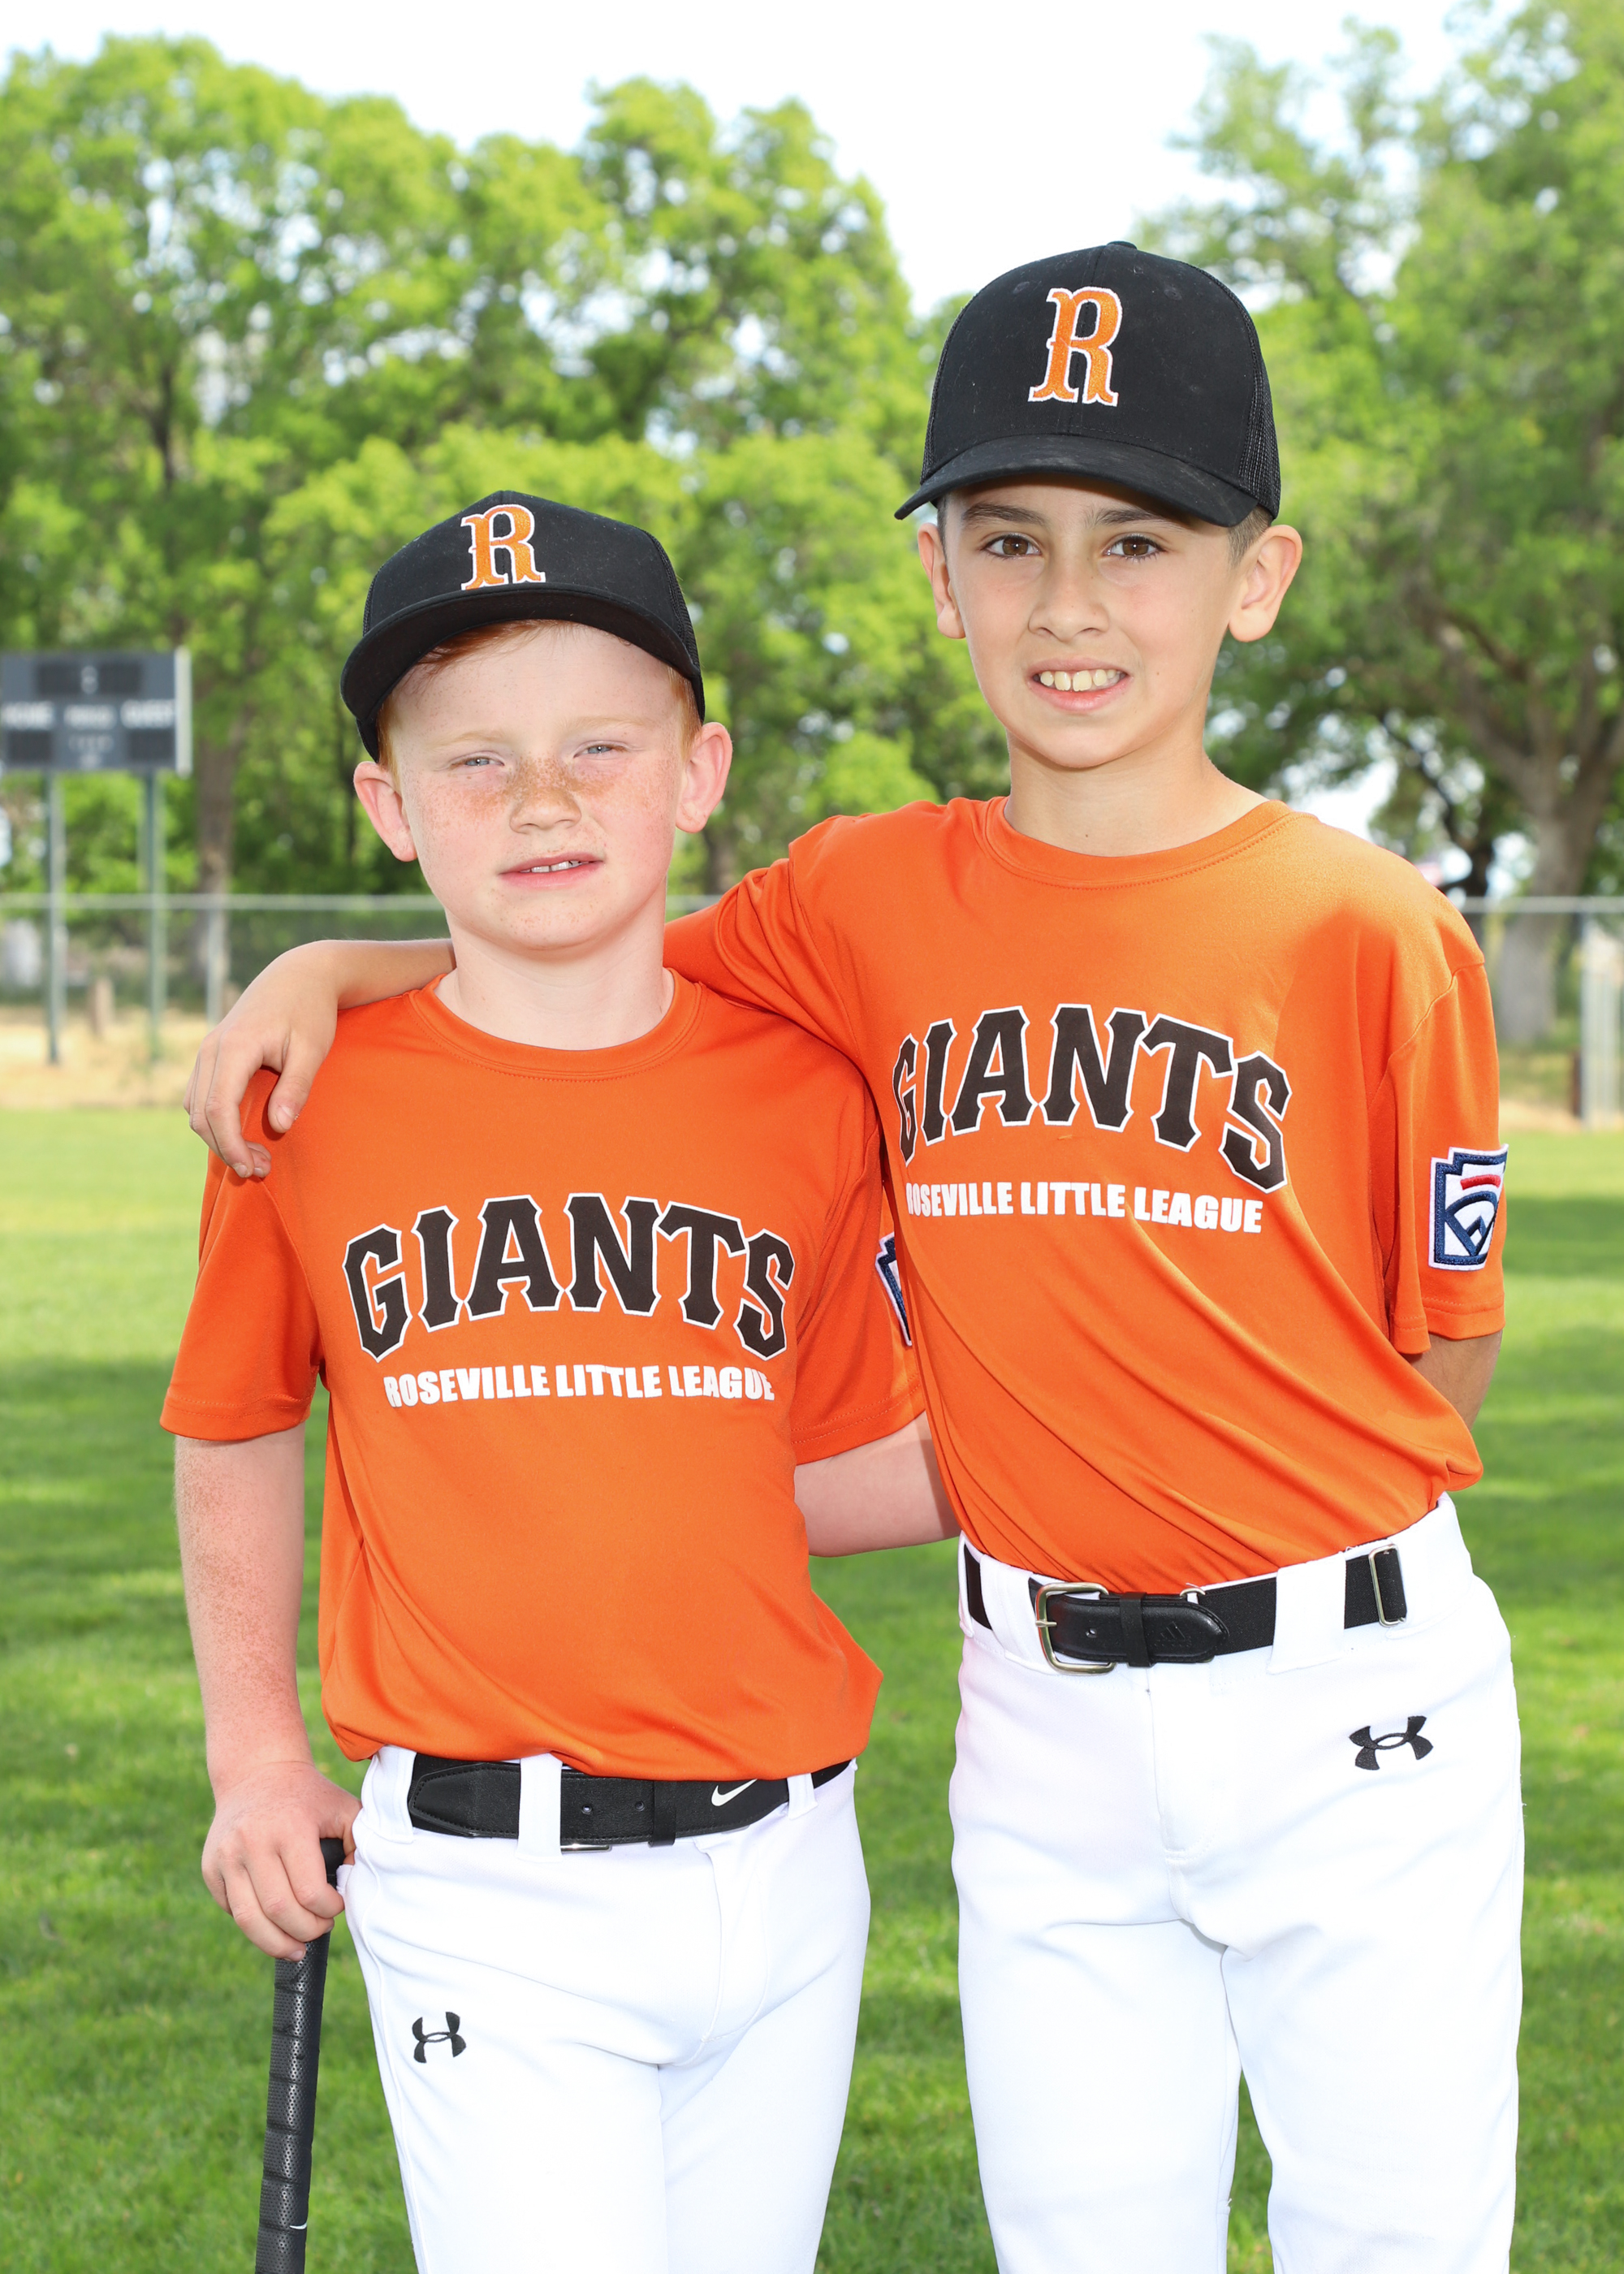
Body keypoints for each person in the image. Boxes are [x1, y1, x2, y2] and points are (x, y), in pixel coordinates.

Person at [187, 247, 1520, 2274]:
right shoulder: (860, 898)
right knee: (1086, 2238)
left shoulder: (1368, 924)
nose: (1068, 603)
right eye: (1010, 540)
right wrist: (328, 963)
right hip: (1042, 1708)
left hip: (1351, 1694)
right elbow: (568, 944)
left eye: (1137, 542)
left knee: (1397, 2238)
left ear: (1254, 577)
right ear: (939, 575)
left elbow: (1446, 1356)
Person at [162, 491, 955, 2274]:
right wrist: (256, 1751)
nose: (543, 799)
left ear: (697, 773)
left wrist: (1101, 1455)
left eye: (601, 745)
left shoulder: (805, 1091)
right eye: (475, 760)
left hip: (788, 1864)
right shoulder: (307, 1098)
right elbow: (235, 1425)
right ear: (388, 807)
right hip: (488, 1874)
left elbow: (819, 1468)